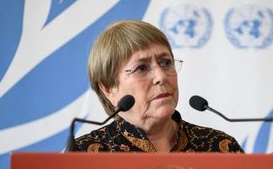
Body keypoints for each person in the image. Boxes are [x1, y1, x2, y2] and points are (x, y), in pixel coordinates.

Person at [73, 20, 243, 153]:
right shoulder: (86, 153)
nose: (161, 77)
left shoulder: (219, 147)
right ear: (109, 88)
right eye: (141, 68)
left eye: (166, 62)